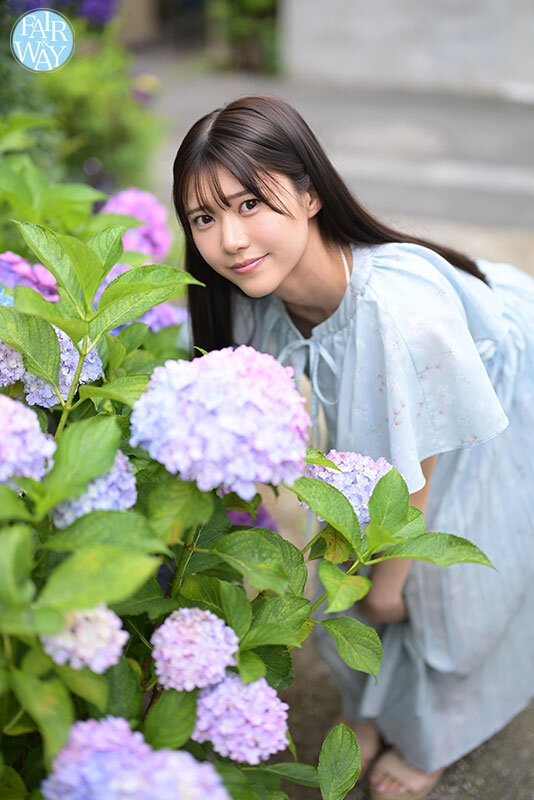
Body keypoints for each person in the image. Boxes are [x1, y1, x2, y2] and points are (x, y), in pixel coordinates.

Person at [171, 94, 534, 800]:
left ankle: (433, 736)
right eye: (204, 218)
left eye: (250, 203)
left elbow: (413, 478)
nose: (231, 239)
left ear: (310, 195)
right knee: (342, 568)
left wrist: (390, 585)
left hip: (488, 387)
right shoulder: (248, 294)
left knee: (450, 593)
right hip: (414, 405)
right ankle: (370, 707)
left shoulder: (397, 310)